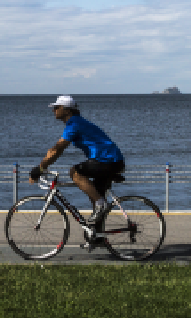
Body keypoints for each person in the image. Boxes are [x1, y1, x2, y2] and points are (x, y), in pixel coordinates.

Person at [29, 95, 125, 225]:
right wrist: (43, 165)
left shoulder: (74, 124)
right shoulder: (76, 122)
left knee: (74, 172)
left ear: (67, 110)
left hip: (107, 160)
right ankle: (97, 237)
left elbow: (56, 150)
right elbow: (56, 150)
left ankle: (101, 205)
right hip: (112, 160)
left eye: (57, 107)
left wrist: (39, 168)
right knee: (95, 196)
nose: (54, 110)